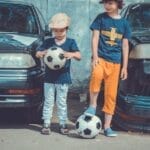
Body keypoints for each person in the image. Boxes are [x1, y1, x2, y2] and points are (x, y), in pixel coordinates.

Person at [84, 0, 131, 137]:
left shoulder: (124, 24)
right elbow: (95, 38)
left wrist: (125, 67)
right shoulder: (101, 18)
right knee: (96, 77)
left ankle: (107, 126)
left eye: (110, 3)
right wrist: (95, 57)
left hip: (116, 63)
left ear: (118, 4)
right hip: (101, 59)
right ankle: (93, 105)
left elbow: (125, 46)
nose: (107, 6)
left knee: (111, 95)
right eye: (105, 3)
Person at [36, 13, 81, 135]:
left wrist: (71, 54)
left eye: (61, 30)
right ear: (52, 31)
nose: (58, 33)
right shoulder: (48, 42)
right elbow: (38, 53)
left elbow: (79, 55)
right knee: (48, 101)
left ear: (66, 29)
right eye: (55, 31)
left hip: (63, 78)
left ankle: (62, 123)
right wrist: (42, 52)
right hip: (49, 78)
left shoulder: (71, 42)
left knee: (61, 102)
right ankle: (46, 123)